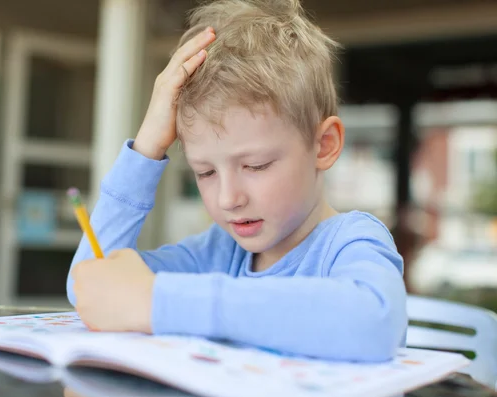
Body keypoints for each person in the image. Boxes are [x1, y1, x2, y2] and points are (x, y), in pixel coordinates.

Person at [67, 0, 407, 362]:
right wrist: (147, 147)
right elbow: (90, 286)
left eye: (256, 165)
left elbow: (373, 322)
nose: (229, 199)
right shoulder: (217, 253)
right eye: (205, 172)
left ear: (324, 146)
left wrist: (161, 301)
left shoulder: (349, 242)